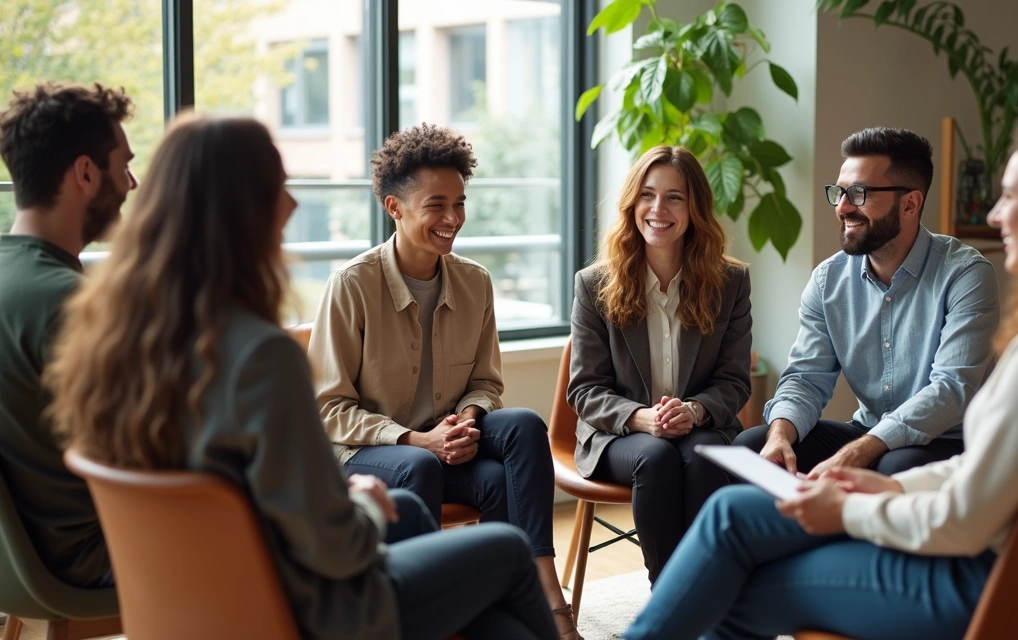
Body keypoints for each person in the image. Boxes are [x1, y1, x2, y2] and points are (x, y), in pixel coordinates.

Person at [621, 110, 1018, 640]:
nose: (994, 213)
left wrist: (848, 510)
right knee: (736, 518)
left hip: (979, 585)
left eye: (1011, 196)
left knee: (738, 574)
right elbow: (1006, 471)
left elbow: (965, 518)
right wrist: (890, 488)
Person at [44, 114, 558, 640]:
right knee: (507, 551)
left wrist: (360, 501)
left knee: (412, 513)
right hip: (298, 607)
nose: (291, 206)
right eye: (278, 188)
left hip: (203, 595)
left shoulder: (116, 338)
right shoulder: (261, 354)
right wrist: (359, 504)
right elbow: (333, 545)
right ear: (239, 211)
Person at [307, 123, 578, 639]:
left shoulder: (475, 281)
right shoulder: (352, 285)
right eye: (436, 205)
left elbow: (486, 384)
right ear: (395, 208)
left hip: (446, 447)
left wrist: (467, 421)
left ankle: (538, 593)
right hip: (368, 454)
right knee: (418, 467)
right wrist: (414, 438)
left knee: (521, 426)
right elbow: (328, 408)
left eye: (459, 202)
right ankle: (438, 612)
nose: (452, 218)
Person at [736, 127, 1000, 478]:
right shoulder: (828, 281)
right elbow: (805, 377)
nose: (843, 207)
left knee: (894, 466)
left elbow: (951, 390)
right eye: (839, 192)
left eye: (859, 193)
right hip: (868, 432)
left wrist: (859, 452)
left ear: (910, 203)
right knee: (750, 447)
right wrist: (779, 435)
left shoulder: (966, 274)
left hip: (949, 440)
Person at [568, 145, 752, 584]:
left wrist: (693, 411)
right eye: (647, 195)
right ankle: (669, 597)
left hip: (700, 426)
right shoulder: (594, 284)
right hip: (621, 435)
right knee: (655, 458)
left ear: (695, 208)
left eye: (675, 197)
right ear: (633, 203)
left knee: (705, 458)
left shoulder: (730, 282)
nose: (658, 209)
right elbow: (585, 390)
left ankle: (708, 590)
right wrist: (641, 418)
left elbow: (733, 381)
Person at [0, 82, 137, 588]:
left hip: (15, 565)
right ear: (85, 173)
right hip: (96, 555)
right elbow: (146, 453)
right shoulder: (69, 303)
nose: (132, 183)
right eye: (123, 165)